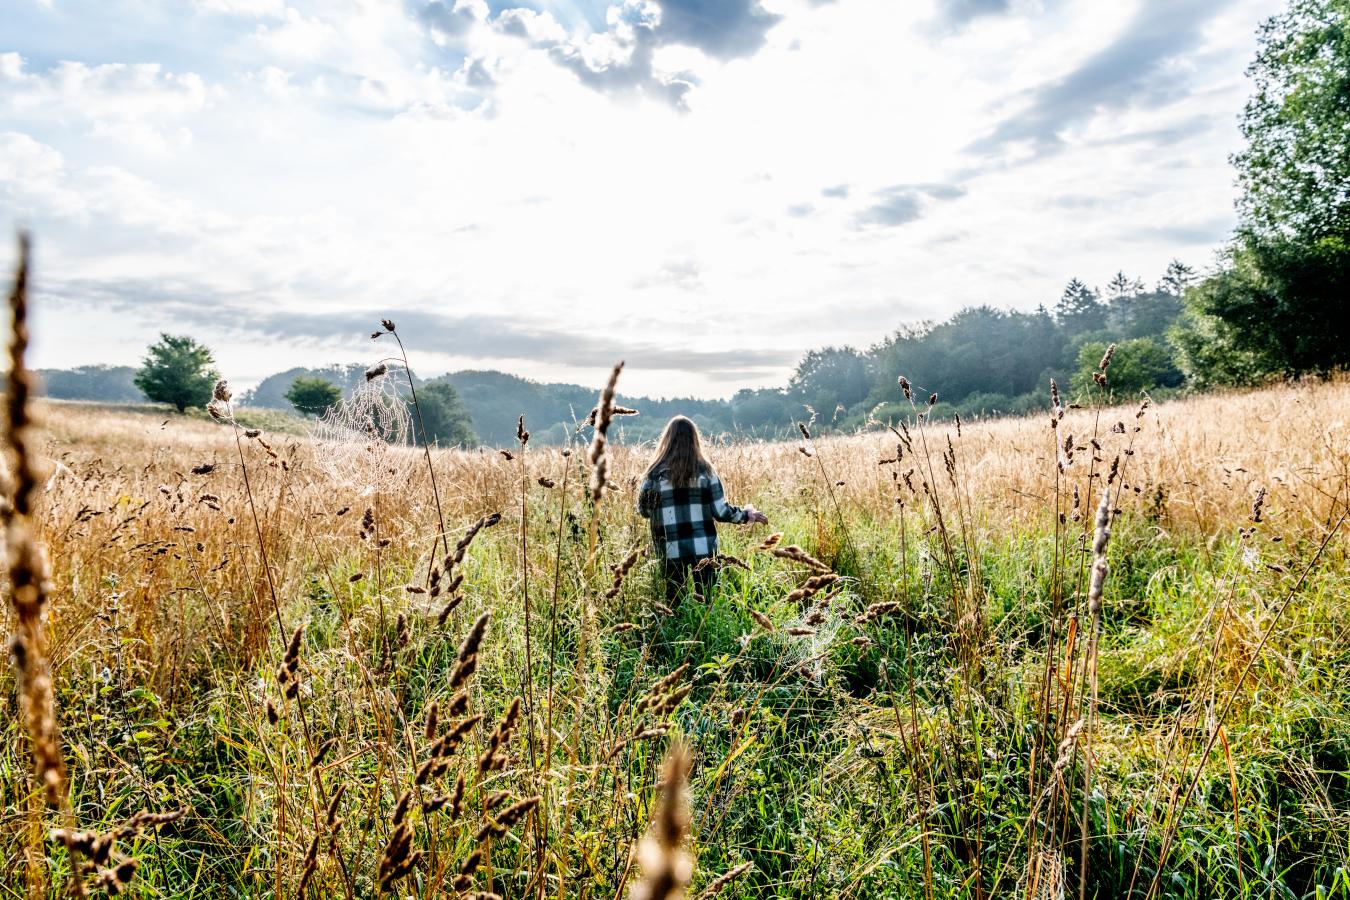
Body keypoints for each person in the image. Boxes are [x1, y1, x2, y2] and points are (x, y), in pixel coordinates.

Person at [636, 415, 768, 600]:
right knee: (708, 599)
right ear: (695, 439)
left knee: (674, 604)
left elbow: (644, 512)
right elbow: (721, 512)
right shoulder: (706, 472)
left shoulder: (653, 475)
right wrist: (747, 515)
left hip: (669, 548)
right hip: (703, 547)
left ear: (667, 439)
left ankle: (677, 629)